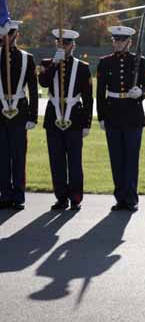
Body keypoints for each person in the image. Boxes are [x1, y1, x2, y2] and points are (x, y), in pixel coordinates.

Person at [96, 25, 145, 212]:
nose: (118, 43)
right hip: (113, 114)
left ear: (129, 42)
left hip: (132, 115)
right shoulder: (104, 63)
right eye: (115, 40)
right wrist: (101, 117)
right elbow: (100, 92)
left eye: (121, 40)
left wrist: (140, 94)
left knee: (131, 158)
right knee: (116, 159)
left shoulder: (139, 61)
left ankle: (131, 198)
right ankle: (120, 198)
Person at [38, 29, 94, 211]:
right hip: (54, 116)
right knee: (56, 160)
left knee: (74, 162)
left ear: (73, 45)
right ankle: (61, 197)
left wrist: (87, 124)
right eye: (60, 43)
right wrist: (55, 62)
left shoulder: (83, 67)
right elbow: (44, 83)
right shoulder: (47, 63)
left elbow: (88, 98)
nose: (63, 46)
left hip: (75, 118)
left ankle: (76, 197)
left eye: (67, 44)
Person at [0, 20, 38, 211]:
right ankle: (4, 195)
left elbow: (32, 88)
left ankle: (19, 194)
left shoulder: (26, 58)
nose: (5, 37)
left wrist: (33, 117)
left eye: (8, 34)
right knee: (2, 156)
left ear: (16, 35)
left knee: (18, 155)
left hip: (19, 111)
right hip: (0, 110)